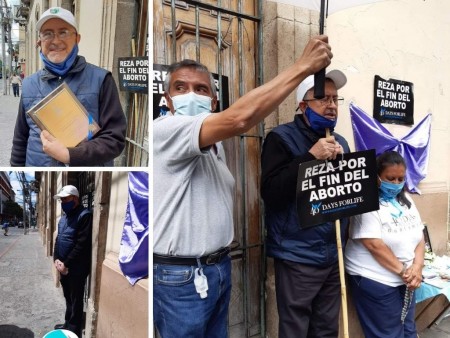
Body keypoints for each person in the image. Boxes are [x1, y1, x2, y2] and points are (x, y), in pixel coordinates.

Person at [153, 35, 333, 338]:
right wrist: (303, 67)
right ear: (168, 101)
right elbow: (239, 120)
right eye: (180, 88)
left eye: (200, 89)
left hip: (216, 269)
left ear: (213, 101)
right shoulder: (167, 129)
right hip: (181, 277)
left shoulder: (213, 146)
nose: (190, 95)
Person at [260, 70, 350, 337]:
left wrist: (346, 166)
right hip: (298, 254)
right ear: (303, 105)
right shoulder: (280, 138)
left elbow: (346, 195)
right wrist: (310, 158)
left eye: (335, 99)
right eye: (323, 98)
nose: (331, 105)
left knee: (326, 329)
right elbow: (272, 193)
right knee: (295, 329)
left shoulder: (340, 141)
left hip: (333, 253)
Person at [10, 7, 126, 167]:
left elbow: (114, 139)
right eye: (47, 34)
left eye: (63, 32)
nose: (55, 41)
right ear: (39, 42)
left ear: (77, 38)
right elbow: (20, 140)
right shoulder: (29, 84)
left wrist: (70, 155)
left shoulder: (102, 80)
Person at [345, 151, 425, 338]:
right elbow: (374, 245)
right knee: (388, 334)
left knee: (409, 329)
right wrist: (406, 272)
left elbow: (419, 234)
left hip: (406, 278)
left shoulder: (405, 199)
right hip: (376, 279)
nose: (396, 184)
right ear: (377, 177)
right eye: (390, 178)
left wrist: (418, 266)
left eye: (400, 179)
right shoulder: (366, 202)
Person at [53, 185, 93, 338]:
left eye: (65, 199)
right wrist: (57, 259)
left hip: (76, 268)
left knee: (76, 300)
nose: (63, 202)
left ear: (75, 199)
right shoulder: (63, 218)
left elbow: (81, 244)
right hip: (62, 266)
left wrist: (66, 263)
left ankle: (74, 329)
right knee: (68, 298)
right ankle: (67, 323)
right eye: (61, 200)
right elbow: (58, 240)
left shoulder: (85, 215)